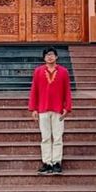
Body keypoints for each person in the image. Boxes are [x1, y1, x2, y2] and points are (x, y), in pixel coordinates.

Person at [28, 46, 72, 175]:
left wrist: (67, 107)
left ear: (56, 57)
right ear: (44, 58)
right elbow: (34, 90)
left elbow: (67, 91)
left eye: (52, 54)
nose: (50, 57)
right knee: (45, 137)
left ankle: (57, 162)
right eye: (47, 55)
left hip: (58, 109)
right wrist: (33, 108)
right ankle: (46, 162)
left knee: (58, 137)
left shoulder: (63, 72)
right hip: (42, 109)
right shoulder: (38, 71)